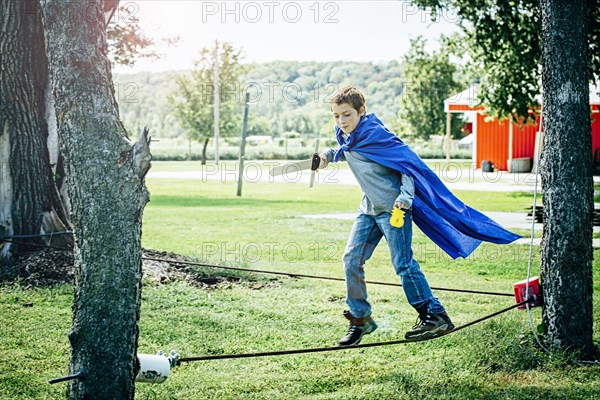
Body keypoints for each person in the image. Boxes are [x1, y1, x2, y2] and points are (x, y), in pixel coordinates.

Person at [320, 86, 520, 346]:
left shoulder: (376, 134)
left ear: (361, 111)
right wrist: (328, 155)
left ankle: (434, 315)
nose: (341, 121)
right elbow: (348, 150)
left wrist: (405, 198)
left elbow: (408, 166)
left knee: (403, 264)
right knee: (350, 260)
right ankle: (360, 319)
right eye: (336, 116)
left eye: (346, 115)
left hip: (394, 210)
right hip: (368, 210)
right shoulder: (346, 135)